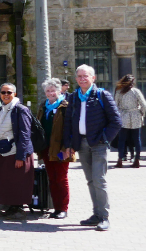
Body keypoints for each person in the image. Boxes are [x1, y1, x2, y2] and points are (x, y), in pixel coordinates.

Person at [62, 65, 122, 231]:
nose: (82, 79)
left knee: (99, 179)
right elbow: (68, 123)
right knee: (90, 181)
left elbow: (116, 121)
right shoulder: (73, 98)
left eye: (85, 76)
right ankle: (96, 214)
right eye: (79, 76)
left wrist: (104, 139)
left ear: (93, 78)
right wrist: (69, 145)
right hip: (81, 144)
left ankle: (104, 217)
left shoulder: (102, 95)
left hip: (99, 145)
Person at [0, 83, 35, 219]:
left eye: (9, 92)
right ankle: (9, 206)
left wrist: (20, 157)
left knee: (18, 182)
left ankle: (18, 209)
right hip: (4, 152)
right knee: (5, 181)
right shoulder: (0, 110)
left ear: (14, 94)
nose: (6, 95)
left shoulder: (20, 109)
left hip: (17, 152)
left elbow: (25, 134)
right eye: (3, 92)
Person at [37, 77, 74, 219]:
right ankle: (56, 208)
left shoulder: (65, 107)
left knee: (61, 178)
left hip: (60, 150)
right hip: (46, 148)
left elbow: (70, 129)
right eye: (48, 91)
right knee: (52, 178)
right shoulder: (43, 106)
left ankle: (63, 208)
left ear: (59, 91)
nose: (50, 93)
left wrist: (66, 148)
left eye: (53, 90)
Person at [114, 74, 146, 167]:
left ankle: (120, 159)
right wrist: (142, 113)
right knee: (137, 139)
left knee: (122, 139)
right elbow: (143, 104)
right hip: (135, 114)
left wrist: (117, 115)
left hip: (124, 115)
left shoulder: (119, 92)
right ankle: (137, 160)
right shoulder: (136, 91)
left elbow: (115, 105)